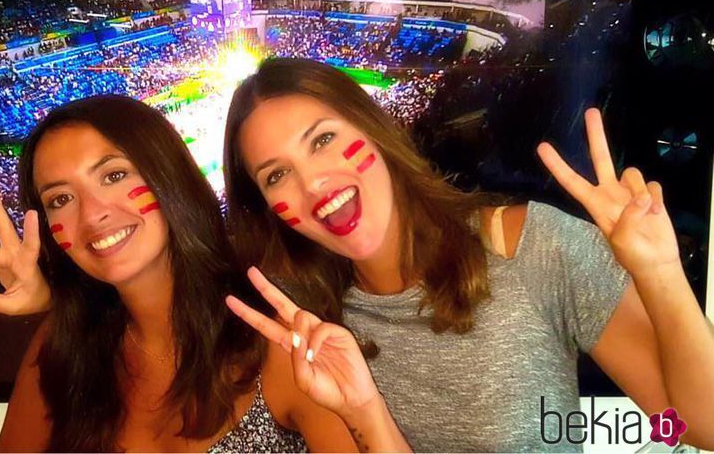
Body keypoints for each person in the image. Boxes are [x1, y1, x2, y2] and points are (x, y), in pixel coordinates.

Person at [220, 58, 714, 451]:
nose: (313, 184)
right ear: (268, 210)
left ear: (374, 129)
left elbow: (701, 426)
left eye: (323, 139)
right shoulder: (314, 330)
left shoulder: (533, 248)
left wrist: (660, 271)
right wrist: (364, 410)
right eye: (276, 175)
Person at [0, 94, 409, 452]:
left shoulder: (275, 344)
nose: (93, 214)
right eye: (61, 200)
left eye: (114, 175)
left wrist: (364, 409)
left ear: (168, 176)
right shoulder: (62, 345)